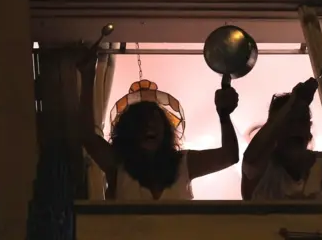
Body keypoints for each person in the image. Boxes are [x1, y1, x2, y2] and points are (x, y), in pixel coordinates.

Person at [78, 57, 239, 200]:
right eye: (141, 120)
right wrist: (87, 76)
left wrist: (224, 114)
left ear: (165, 129)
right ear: (129, 131)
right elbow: (86, 135)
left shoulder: (184, 163)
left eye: (155, 118)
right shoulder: (118, 164)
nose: (149, 124)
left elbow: (229, 156)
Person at [241, 77, 322, 200]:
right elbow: (251, 160)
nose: (296, 128)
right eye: (288, 122)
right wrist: (292, 104)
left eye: (302, 120)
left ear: (309, 128)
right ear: (274, 130)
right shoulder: (264, 168)